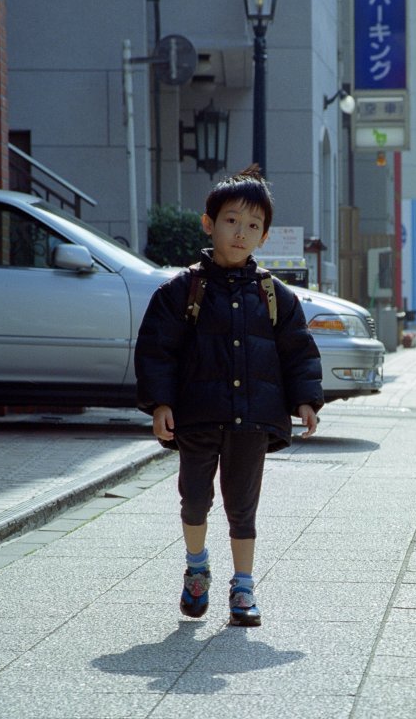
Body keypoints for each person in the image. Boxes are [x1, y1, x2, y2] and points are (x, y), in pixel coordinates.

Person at [134, 167, 324, 626]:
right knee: (194, 499)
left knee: (243, 506)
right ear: (209, 224)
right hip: (197, 417)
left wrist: (305, 399)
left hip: (252, 419)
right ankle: (197, 568)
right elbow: (157, 350)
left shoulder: (274, 296)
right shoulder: (183, 291)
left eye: (253, 225)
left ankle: (243, 586)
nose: (242, 233)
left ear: (264, 235)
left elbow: (297, 349)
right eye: (232, 221)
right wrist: (161, 403)